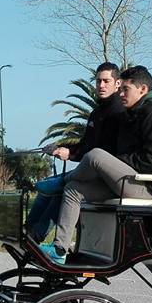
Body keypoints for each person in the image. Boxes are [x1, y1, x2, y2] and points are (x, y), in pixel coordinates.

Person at [38, 65, 152, 264]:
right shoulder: (130, 116)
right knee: (73, 189)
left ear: (143, 90)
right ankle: (59, 249)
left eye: (125, 89)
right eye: (120, 89)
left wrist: (116, 161)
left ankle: (60, 181)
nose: (121, 93)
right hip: (127, 181)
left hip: (146, 187)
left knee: (96, 156)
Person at [26, 62, 125, 241]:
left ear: (117, 83)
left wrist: (70, 155)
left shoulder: (120, 112)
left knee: (63, 188)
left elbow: (106, 151)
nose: (101, 85)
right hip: (90, 170)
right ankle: (27, 232)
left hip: (107, 177)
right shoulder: (96, 113)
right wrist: (63, 150)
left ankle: (36, 236)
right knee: (48, 186)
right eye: (98, 81)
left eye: (106, 81)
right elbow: (86, 146)